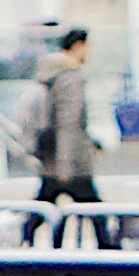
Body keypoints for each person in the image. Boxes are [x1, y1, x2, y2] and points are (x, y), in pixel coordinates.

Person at [27, 21, 102, 228]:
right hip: (71, 162)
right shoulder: (71, 77)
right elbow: (69, 123)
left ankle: (24, 241)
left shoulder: (50, 74)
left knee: (42, 208)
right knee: (96, 212)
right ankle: (111, 253)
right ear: (78, 46)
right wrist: (66, 165)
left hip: (52, 157)